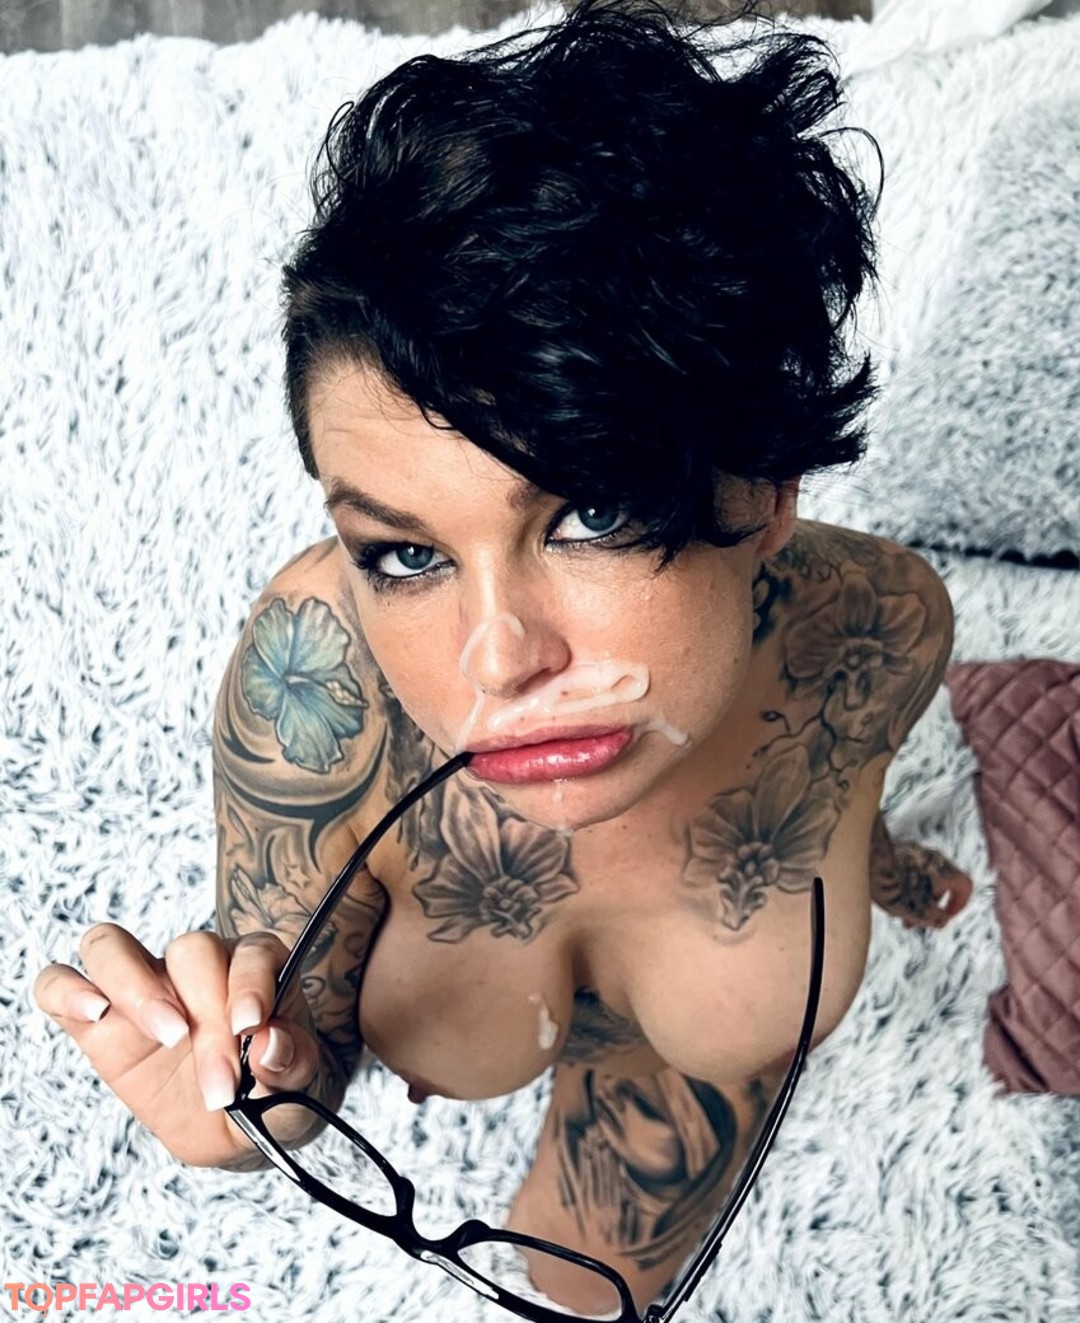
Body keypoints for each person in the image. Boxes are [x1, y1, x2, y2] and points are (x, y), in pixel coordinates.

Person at [34, 0, 973, 1312]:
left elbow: (841, 768)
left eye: (592, 515)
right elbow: (293, 1017)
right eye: (405, 553)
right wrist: (250, 1101)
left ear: (765, 487)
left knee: (596, 1287)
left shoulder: (881, 626)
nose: (496, 659)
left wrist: (868, 860)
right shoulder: (315, 686)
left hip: (673, 1107)